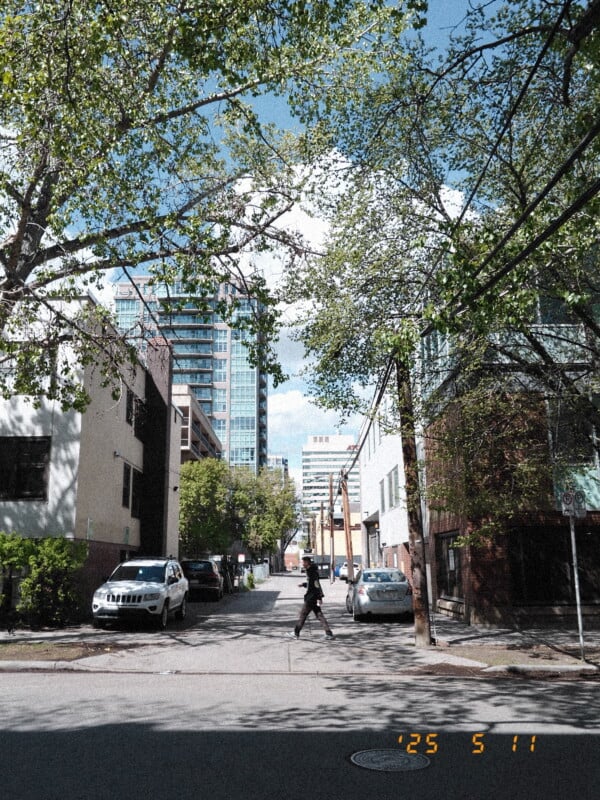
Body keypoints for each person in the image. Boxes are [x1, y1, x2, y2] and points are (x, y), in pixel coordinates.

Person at [288, 555, 334, 640]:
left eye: (303, 562)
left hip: (311, 598)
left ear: (307, 562)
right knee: (319, 615)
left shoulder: (311, 572)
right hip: (313, 597)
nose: (302, 564)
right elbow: (311, 584)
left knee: (303, 615)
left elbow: (316, 584)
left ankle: (296, 633)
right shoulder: (310, 571)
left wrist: (320, 597)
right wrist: (304, 584)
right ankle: (329, 633)